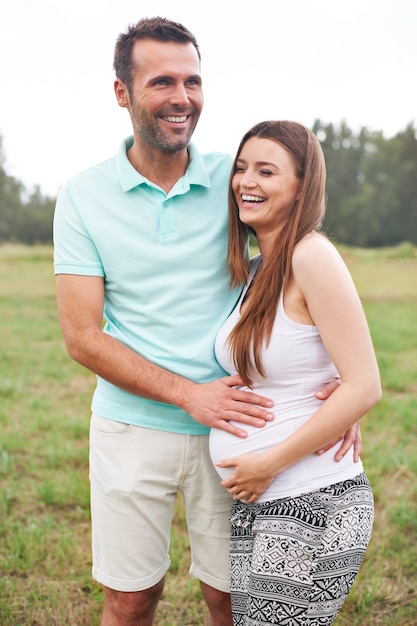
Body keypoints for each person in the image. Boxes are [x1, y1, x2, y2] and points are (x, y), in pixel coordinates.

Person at [53, 18, 359, 626]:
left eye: (193, 80)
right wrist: (189, 395)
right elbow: (82, 336)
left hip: (245, 424)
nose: (181, 97)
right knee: (131, 598)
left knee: (231, 597)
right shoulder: (83, 196)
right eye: (162, 81)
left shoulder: (234, 178)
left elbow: (307, 270)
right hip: (130, 426)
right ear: (122, 93)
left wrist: (339, 391)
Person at [209, 120, 382, 625]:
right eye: (241, 169)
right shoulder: (262, 267)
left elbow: (365, 384)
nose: (247, 182)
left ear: (301, 187)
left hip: (312, 499)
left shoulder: (312, 255)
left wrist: (270, 463)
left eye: (266, 171)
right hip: (264, 500)